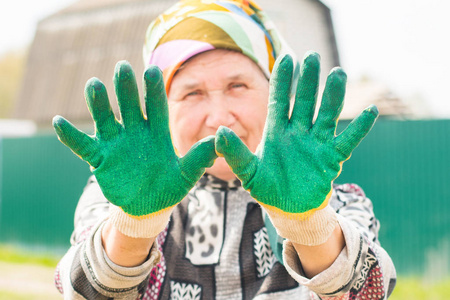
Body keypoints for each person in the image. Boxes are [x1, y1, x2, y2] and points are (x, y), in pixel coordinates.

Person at [53, 0, 396, 299]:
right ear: (161, 110)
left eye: (238, 85)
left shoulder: (334, 203)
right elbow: (86, 291)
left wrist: (307, 222)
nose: (218, 118)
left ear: (276, 95)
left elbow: (366, 291)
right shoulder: (112, 199)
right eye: (192, 93)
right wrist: (134, 222)